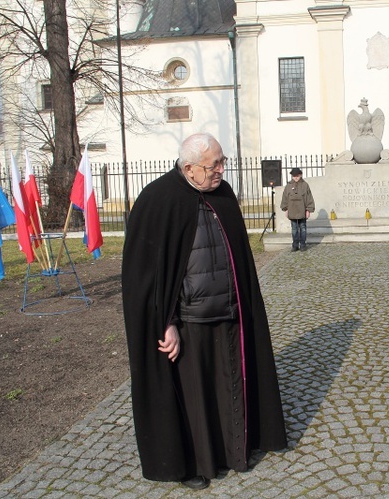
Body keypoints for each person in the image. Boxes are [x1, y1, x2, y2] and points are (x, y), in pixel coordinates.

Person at [121, 132, 287, 490]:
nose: (221, 171)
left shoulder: (223, 195)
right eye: (215, 165)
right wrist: (164, 324)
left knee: (229, 388)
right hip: (188, 321)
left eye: (222, 162)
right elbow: (144, 277)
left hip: (228, 312)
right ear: (190, 168)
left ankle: (235, 452)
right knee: (195, 400)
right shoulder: (157, 200)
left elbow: (239, 258)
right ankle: (194, 464)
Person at [280, 167, 315, 251]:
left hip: (302, 210)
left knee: (303, 228)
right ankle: (295, 245)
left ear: (300, 175)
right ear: (292, 176)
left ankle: (303, 244)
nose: (296, 177)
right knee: (294, 229)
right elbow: (285, 198)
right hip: (292, 210)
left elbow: (309, 198)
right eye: (294, 175)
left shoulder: (305, 185)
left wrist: (308, 210)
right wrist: (286, 209)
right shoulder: (288, 186)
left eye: (297, 175)